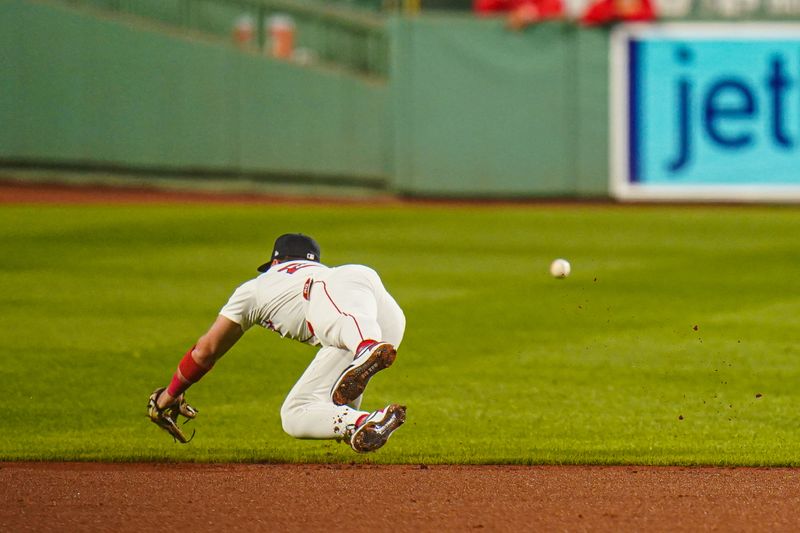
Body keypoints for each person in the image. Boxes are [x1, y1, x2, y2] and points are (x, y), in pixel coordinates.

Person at [147, 233, 407, 453]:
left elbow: (206, 351)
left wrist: (170, 393)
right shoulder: (324, 271)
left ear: (274, 261)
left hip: (324, 293)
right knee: (300, 410)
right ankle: (366, 421)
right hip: (373, 301)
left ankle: (367, 349)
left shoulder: (255, 287)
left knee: (354, 339)